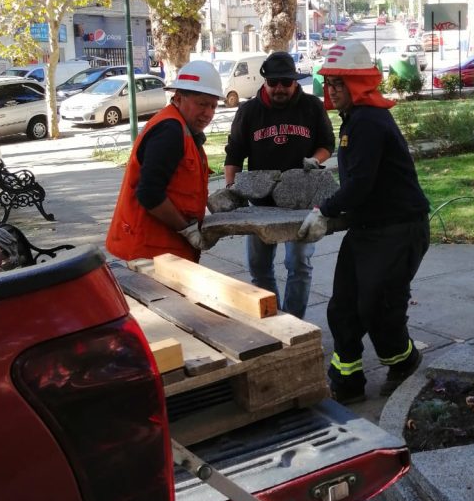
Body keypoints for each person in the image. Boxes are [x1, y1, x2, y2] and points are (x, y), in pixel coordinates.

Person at [298, 39, 430, 403]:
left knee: (378, 306)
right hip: (369, 228)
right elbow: (360, 175)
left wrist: (324, 211)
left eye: (339, 83)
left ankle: (404, 362)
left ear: (357, 84)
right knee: (344, 306)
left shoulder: (368, 121)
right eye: (329, 83)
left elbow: (359, 184)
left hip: (397, 228)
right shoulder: (356, 119)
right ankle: (347, 379)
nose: (332, 90)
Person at [223, 51, 335, 319]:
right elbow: (234, 154)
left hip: (301, 202)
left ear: (295, 81)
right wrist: (231, 190)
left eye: (286, 82)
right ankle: (273, 319)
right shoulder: (249, 111)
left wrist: (315, 160)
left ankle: (294, 322)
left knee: (299, 264)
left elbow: (327, 144)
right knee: (259, 267)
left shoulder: (311, 106)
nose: (280, 88)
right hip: (260, 204)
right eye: (273, 83)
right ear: (265, 81)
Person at [106, 60, 223, 262]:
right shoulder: (170, 131)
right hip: (150, 251)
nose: (208, 113)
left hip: (165, 250)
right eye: (202, 104)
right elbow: (149, 194)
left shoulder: (184, 130)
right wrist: (187, 229)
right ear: (178, 98)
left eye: (213, 106)